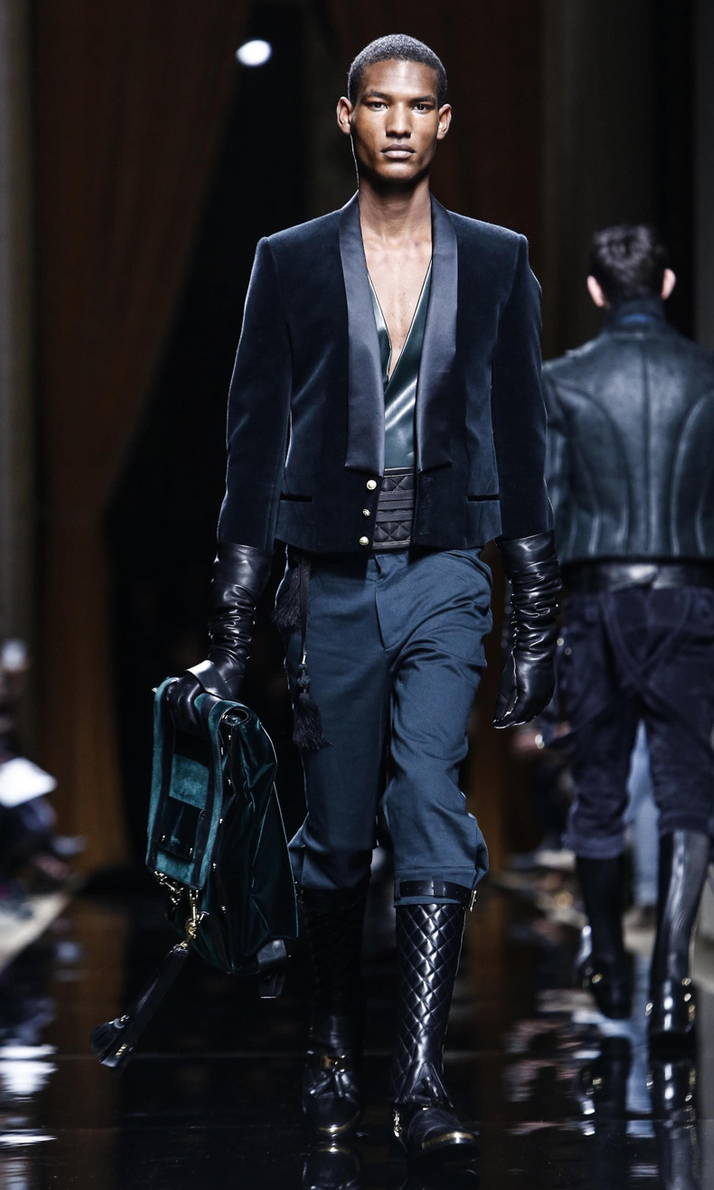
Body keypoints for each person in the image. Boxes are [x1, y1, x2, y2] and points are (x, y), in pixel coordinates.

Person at [166, 34, 560, 1164]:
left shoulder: (498, 262)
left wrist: (535, 615)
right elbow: (252, 448)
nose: (398, 122)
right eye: (378, 104)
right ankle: (333, 1040)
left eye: (418, 106)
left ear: (444, 122)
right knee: (337, 842)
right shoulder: (288, 262)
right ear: (346, 117)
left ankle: (420, 1078)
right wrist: (234, 631)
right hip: (328, 586)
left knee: (429, 798)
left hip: (445, 575)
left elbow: (522, 441)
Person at [544, 224, 714, 1045]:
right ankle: (672, 984)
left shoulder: (561, 383)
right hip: (686, 605)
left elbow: (544, 521)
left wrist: (533, 636)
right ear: (667, 287)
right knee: (686, 791)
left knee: (598, 794)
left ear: (596, 292)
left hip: (596, 606)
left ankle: (606, 954)